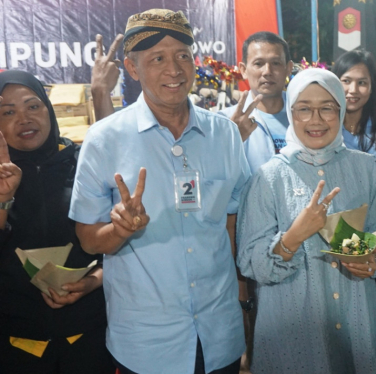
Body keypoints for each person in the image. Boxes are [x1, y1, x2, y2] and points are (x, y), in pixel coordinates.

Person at [68, 9, 249, 374]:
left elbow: (231, 222)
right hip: (147, 342)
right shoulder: (104, 139)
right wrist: (120, 230)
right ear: (132, 69)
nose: (175, 69)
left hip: (220, 332)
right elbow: (87, 239)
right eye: (158, 59)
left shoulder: (224, 134)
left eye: (183, 55)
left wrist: (242, 299)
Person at [236, 68, 376, 374]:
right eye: (304, 109)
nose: (316, 119)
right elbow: (249, 262)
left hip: (355, 320)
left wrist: (371, 256)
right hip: (292, 330)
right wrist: (293, 237)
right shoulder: (268, 177)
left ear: (340, 108)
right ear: (291, 112)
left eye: (327, 108)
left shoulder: (367, 168)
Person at [0, 71, 113, 374]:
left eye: (32, 106)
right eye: (8, 112)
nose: (23, 118)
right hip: (17, 342)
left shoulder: (81, 163)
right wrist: (3, 200)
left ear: (48, 110)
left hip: (87, 335)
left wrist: (93, 281)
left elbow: (115, 242)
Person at [331, 50, 376, 363]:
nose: (353, 90)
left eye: (362, 82)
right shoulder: (325, 129)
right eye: (346, 81)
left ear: (373, 87)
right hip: (333, 243)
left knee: (375, 329)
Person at [221, 31, 294, 174]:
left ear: (288, 68)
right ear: (243, 70)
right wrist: (231, 140)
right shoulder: (224, 122)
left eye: (276, 63)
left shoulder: (304, 115)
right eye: (258, 63)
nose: (267, 71)